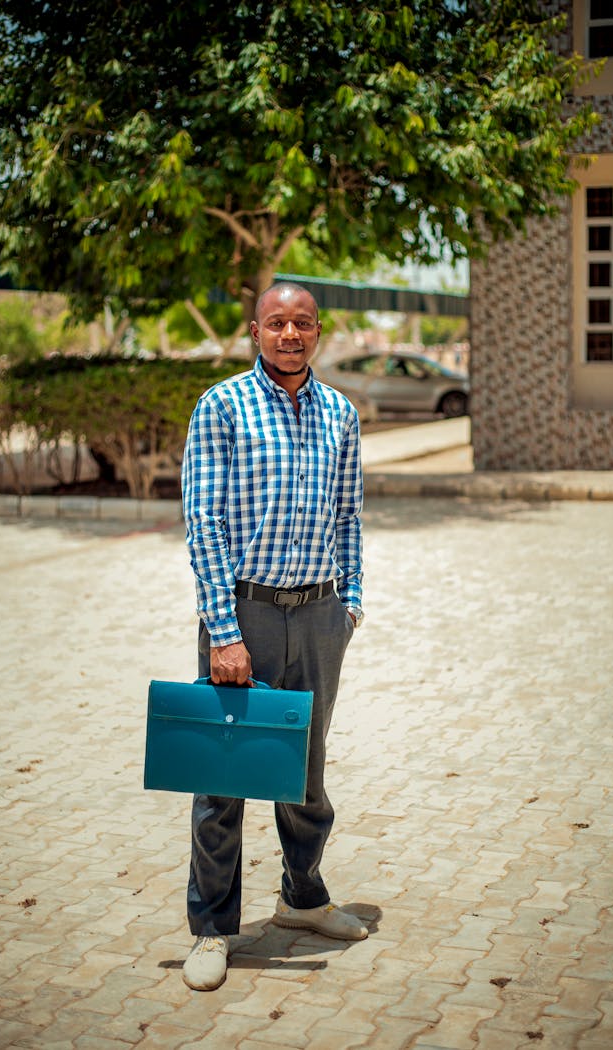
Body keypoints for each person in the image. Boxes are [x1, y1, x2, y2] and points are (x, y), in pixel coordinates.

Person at [180, 281, 367, 991]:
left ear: (319, 331)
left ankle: (303, 895)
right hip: (245, 615)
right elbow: (205, 523)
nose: (291, 334)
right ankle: (212, 927)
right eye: (277, 322)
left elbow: (349, 515)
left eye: (303, 323)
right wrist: (224, 633)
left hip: (319, 614)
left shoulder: (342, 413)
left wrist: (349, 605)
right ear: (255, 330)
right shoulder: (222, 406)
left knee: (305, 769)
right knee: (222, 780)